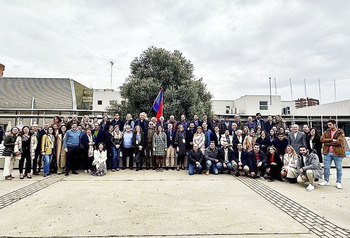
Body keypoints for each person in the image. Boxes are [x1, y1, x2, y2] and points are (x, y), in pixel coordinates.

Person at [319, 119, 346, 189]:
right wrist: (331, 140)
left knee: (339, 168)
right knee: (326, 167)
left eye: (330, 124)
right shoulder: (327, 132)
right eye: (328, 125)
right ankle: (326, 180)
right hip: (327, 152)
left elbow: (340, 142)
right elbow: (322, 139)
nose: (329, 126)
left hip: (338, 153)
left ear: (334, 124)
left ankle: (338, 182)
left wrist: (327, 142)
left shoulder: (340, 132)